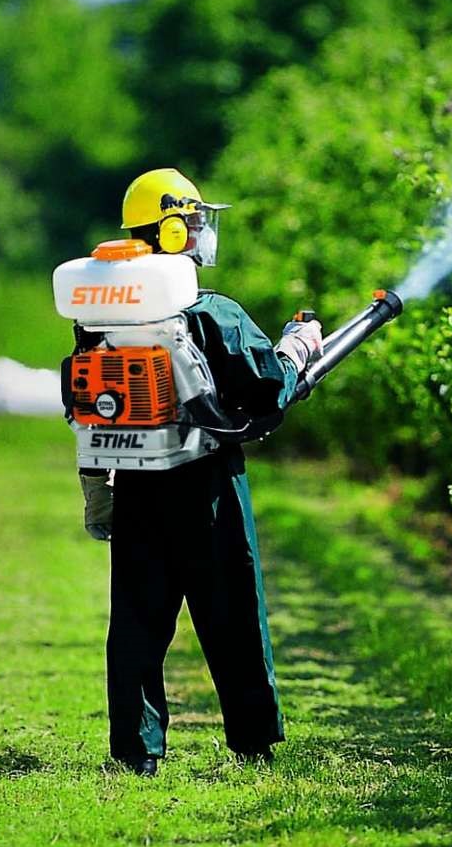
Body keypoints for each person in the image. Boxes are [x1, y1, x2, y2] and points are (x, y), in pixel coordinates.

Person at [77, 168, 322, 777]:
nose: (199, 231)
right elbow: (267, 389)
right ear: (170, 227)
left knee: (137, 620)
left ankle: (136, 752)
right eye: (192, 220)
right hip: (208, 484)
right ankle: (253, 740)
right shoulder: (210, 312)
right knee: (232, 610)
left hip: (136, 482)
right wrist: (297, 349)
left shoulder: (97, 316)